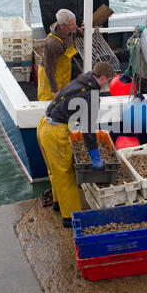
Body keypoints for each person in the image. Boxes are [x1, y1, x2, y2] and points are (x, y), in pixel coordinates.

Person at [37, 62, 114, 227]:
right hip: (55, 133)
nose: (106, 85)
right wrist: (95, 157)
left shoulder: (81, 80)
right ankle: (71, 218)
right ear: (101, 78)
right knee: (66, 175)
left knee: (54, 171)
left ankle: (58, 204)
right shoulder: (92, 95)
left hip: (43, 125)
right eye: (106, 81)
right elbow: (88, 130)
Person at [37, 9, 84, 101]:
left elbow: (80, 33)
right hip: (50, 74)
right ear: (62, 26)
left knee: (64, 99)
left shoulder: (72, 29)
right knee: (49, 101)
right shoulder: (52, 44)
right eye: (72, 24)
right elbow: (49, 68)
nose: (75, 26)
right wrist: (54, 90)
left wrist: (84, 29)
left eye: (75, 23)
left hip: (64, 72)